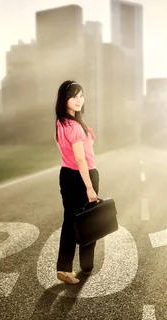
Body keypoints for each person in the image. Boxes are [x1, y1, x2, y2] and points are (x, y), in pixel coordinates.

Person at [54, 80, 99, 285]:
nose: (79, 100)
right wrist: (89, 187)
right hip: (84, 175)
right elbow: (81, 159)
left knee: (70, 221)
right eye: (74, 96)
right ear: (65, 99)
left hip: (66, 174)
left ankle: (65, 268)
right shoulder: (75, 127)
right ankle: (86, 266)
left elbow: (64, 149)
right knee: (89, 220)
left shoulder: (61, 123)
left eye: (81, 95)